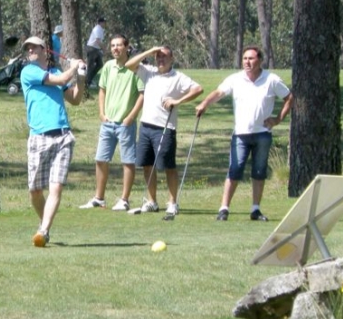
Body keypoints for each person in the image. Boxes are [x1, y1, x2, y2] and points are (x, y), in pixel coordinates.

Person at [195, 45, 293, 222]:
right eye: (245, 59)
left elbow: (289, 98)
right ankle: (224, 208)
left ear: (260, 60)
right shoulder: (235, 79)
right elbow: (219, 92)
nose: (247, 62)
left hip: (263, 133)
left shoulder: (271, 79)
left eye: (251, 58)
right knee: (235, 170)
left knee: (259, 171)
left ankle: (255, 209)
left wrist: (278, 119)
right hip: (240, 134)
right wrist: (204, 104)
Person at [20, 36, 86, 247]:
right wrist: (74, 67)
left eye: (33, 47)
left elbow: (75, 99)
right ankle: (44, 223)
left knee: (55, 187)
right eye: (27, 48)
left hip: (63, 136)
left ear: (44, 50)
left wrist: (81, 77)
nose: (30, 50)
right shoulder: (29, 72)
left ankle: (44, 230)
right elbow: (59, 81)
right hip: (39, 137)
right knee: (35, 191)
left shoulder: (57, 72)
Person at [125, 46, 203, 216]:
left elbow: (198, 89)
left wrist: (178, 100)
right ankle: (152, 201)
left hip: (165, 128)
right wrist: (150, 51)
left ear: (172, 58)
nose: (161, 60)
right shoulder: (149, 72)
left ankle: (172, 202)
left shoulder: (178, 77)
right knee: (147, 166)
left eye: (164, 57)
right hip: (146, 126)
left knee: (168, 166)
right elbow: (129, 65)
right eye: (158, 57)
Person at [79, 35, 145, 211]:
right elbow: (102, 91)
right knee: (100, 159)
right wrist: (101, 113)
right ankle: (99, 198)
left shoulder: (134, 68)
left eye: (119, 45)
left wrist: (130, 117)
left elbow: (141, 95)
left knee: (128, 161)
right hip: (107, 123)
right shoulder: (108, 67)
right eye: (113, 46)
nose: (115, 48)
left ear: (127, 47)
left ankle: (124, 199)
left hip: (125, 124)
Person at [85, 17, 107, 88]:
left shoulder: (101, 29)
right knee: (90, 66)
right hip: (92, 48)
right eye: (104, 22)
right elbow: (98, 41)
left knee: (100, 64)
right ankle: (87, 82)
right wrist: (104, 49)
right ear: (100, 22)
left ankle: (89, 79)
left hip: (96, 49)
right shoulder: (97, 29)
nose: (105, 23)